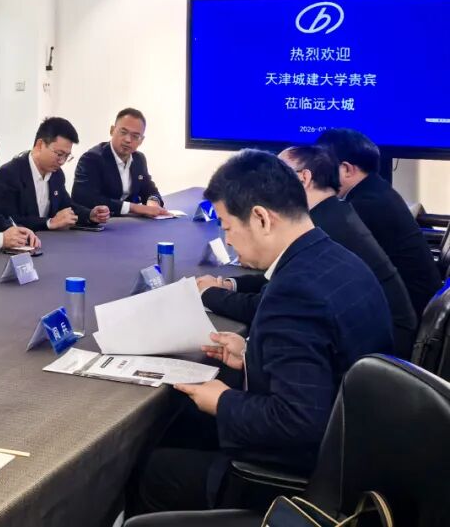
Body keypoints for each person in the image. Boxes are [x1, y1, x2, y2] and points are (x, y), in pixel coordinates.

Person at [133, 149, 393, 514]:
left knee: (152, 469)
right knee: (186, 420)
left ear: (260, 218)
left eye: (227, 228)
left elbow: (298, 422)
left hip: (303, 481)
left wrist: (223, 401)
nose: (228, 241)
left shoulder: (293, 293)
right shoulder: (338, 258)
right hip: (360, 450)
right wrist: (250, 356)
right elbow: (323, 360)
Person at [198, 145, 418, 358]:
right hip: (377, 354)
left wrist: (210, 294)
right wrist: (232, 286)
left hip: (388, 348)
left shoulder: (322, 237)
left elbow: (276, 301)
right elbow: (276, 285)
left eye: (227, 228)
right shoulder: (330, 223)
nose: (228, 241)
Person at [316, 128, 442, 319]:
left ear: (347, 169)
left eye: (322, 169)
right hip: (416, 305)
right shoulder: (377, 191)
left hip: (403, 316)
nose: (318, 177)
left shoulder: (364, 206)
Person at [0, 117, 110, 231]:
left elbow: (66, 206)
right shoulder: (9, 174)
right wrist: (49, 222)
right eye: (59, 154)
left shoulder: (57, 174)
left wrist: (89, 214)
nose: (62, 161)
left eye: (67, 156)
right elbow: (8, 220)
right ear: (40, 145)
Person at [72, 107, 170, 217]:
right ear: (112, 130)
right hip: (97, 223)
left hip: (127, 223)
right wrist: (134, 208)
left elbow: (149, 188)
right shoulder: (92, 159)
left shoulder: (139, 159)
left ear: (141, 140)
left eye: (135, 136)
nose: (128, 140)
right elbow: (85, 199)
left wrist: (153, 202)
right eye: (123, 132)